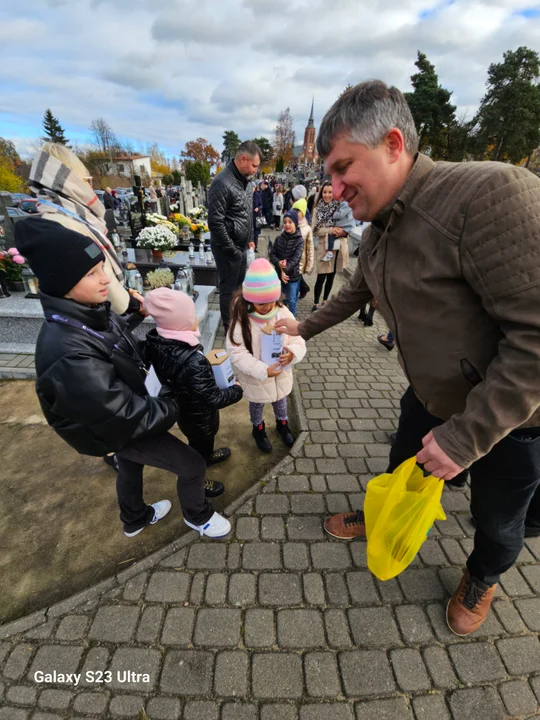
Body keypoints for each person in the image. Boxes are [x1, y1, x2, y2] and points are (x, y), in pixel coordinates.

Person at [275, 79, 540, 637]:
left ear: (394, 144)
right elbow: (355, 292)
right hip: (429, 399)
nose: (335, 186)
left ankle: (482, 574)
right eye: (330, 173)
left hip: (511, 422)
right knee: (400, 469)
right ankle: (383, 518)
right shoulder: (384, 224)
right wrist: (300, 326)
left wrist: (466, 439)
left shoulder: (487, 195)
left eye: (345, 167)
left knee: (497, 518)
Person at [15, 217, 231, 539]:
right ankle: (198, 516)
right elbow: (121, 413)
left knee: (130, 464)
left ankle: (134, 518)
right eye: (91, 273)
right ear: (61, 282)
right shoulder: (66, 353)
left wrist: (132, 316)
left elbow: (108, 342)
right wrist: (173, 401)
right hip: (117, 427)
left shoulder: (86, 313)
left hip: (118, 420)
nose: (106, 280)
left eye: (103, 267)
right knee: (191, 465)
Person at [144, 288, 243, 496]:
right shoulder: (193, 359)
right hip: (200, 415)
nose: (196, 317)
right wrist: (237, 390)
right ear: (182, 322)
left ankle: (207, 457)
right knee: (199, 444)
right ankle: (200, 480)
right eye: (192, 315)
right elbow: (213, 398)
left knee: (201, 442)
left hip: (184, 410)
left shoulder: (155, 343)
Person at [226, 259, 306, 453]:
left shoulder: (282, 312)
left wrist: (292, 354)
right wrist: (262, 370)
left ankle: (282, 423)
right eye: (260, 302)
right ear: (248, 298)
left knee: (280, 400)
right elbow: (236, 352)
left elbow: (298, 338)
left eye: (271, 300)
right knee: (257, 403)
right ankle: (258, 428)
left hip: (280, 372)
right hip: (257, 376)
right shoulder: (241, 319)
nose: (267, 306)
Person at [208, 141, 262, 331]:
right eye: (254, 165)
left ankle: (238, 318)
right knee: (229, 288)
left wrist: (251, 239)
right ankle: (229, 326)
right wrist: (231, 250)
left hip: (241, 246)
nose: (256, 170)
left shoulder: (246, 182)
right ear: (243, 159)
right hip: (227, 247)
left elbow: (247, 213)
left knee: (240, 287)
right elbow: (215, 222)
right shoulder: (222, 182)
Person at [311, 182, 349, 312]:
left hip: (337, 247)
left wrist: (342, 232)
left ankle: (325, 300)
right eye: (325, 192)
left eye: (330, 192)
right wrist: (331, 230)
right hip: (324, 248)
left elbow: (347, 227)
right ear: (321, 193)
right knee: (321, 276)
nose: (327, 195)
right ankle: (316, 302)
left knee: (331, 276)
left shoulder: (339, 208)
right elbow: (315, 230)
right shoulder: (317, 209)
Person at [269, 210, 304, 318]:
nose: (287, 224)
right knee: (278, 301)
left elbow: (295, 259)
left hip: (292, 277)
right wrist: (278, 263)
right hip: (279, 276)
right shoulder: (279, 238)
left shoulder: (300, 240)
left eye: (290, 222)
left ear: (295, 223)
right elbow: (272, 254)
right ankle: (278, 320)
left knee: (291, 301)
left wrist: (285, 271)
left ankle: (291, 322)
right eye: (285, 222)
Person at [292, 198, 315, 300]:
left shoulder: (307, 229)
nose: (296, 213)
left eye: (298, 211)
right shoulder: (290, 224)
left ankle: (300, 291)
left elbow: (310, 248)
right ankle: (300, 291)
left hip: (301, 261)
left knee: (296, 280)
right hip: (290, 259)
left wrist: (309, 264)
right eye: (294, 210)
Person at [252, 183, 264, 250]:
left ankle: (255, 246)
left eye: (252, 187)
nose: (251, 189)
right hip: (250, 216)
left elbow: (261, 205)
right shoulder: (247, 195)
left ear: (254, 188)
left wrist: (258, 208)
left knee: (256, 233)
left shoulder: (257, 195)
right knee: (250, 232)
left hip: (256, 217)